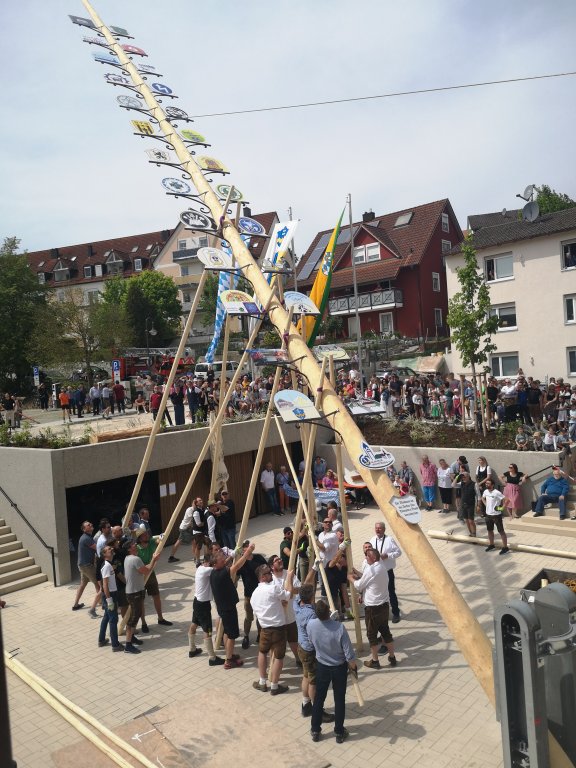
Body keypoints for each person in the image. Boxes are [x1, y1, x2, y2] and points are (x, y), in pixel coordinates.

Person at [307, 599, 357, 743]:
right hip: (339, 668)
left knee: (318, 699)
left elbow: (311, 643)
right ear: (329, 611)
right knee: (339, 699)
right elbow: (349, 655)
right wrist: (353, 669)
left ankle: (315, 730)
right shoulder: (339, 628)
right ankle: (339, 732)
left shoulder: (311, 625)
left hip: (322, 666)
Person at [250, 563, 294, 695]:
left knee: (262, 652)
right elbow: (289, 595)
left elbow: (258, 610)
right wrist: (289, 578)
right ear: (262, 577)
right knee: (279, 657)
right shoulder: (273, 588)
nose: (271, 574)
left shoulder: (254, 594)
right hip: (278, 628)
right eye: (268, 573)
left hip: (264, 628)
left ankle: (262, 682)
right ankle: (274, 685)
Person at [350, 547, 397, 669]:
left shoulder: (371, 569)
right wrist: (358, 573)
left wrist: (351, 578)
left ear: (373, 558)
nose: (365, 558)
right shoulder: (382, 566)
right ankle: (392, 657)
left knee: (371, 635)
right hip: (384, 606)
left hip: (373, 609)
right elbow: (369, 580)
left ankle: (375, 660)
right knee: (386, 632)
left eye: (367, 556)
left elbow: (360, 585)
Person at [210, 542, 255, 668]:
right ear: (215, 564)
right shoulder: (222, 573)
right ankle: (229, 661)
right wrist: (247, 553)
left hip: (224, 607)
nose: (223, 559)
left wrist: (234, 553)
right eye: (220, 559)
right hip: (228, 608)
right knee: (232, 635)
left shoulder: (214, 573)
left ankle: (229, 654)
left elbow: (228, 562)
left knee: (227, 633)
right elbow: (237, 566)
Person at [295, 583, 336, 722]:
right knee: (314, 682)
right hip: (310, 651)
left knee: (306, 676)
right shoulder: (311, 615)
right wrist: (331, 620)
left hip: (301, 647)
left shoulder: (297, 604)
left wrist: (312, 570)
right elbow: (320, 629)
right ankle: (317, 710)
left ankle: (305, 704)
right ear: (312, 597)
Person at [123, 539, 161, 654]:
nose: (136, 545)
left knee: (137, 614)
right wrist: (154, 559)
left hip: (134, 591)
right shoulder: (135, 559)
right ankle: (128, 645)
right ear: (130, 548)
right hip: (134, 593)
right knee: (133, 618)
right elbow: (147, 570)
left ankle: (132, 638)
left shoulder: (128, 559)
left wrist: (153, 561)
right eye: (133, 544)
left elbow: (144, 569)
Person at [187, 555, 225, 666]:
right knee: (207, 630)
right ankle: (212, 658)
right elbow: (219, 568)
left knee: (194, 623)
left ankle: (192, 649)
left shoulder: (199, 568)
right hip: (203, 605)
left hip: (197, 602)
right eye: (211, 563)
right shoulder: (206, 570)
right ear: (207, 563)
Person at [135, 529, 173, 632]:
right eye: (144, 535)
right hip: (141, 576)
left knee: (156, 596)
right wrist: (152, 563)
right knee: (141, 600)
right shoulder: (136, 549)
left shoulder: (151, 541)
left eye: (147, 534)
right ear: (140, 538)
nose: (147, 536)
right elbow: (140, 568)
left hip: (151, 575)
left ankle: (160, 618)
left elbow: (159, 539)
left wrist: (161, 537)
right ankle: (143, 623)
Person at [237, 539, 267, 649]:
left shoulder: (258, 558)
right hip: (248, 595)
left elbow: (267, 569)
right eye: (246, 548)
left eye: (248, 547)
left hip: (260, 594)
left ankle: (260, 635)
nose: (248, 550)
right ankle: (246, 636)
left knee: (260, 616)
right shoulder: (242, 562)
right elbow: (235, 575)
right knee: (248, 617)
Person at [370, 521, 402, 623]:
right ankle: (381, 614)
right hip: (376, 572)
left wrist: (387, 555)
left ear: (384, 529)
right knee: (378, 593)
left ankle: (396, 613)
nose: (378, 530)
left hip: (387, 571)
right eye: (376, 528)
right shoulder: (372, 539)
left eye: (380, 528)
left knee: (391, 593)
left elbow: (398, 552)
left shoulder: (389, 540)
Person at [97, 545, 123, 652]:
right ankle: (115, 645)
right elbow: (105, 585)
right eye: (108, 549)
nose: (111, 549)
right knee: (113, 620)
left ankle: (101, 640)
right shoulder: (107, 566)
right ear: (104, 554)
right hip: (110, 595)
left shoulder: (109, 565)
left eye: (111, 548)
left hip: (111, 594)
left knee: (106, 617)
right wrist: (109, 600)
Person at [72, 521, 101, 616]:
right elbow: (98, 548)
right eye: (88, 525)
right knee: (98, 584)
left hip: (82, 565)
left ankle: (76, 604)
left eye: (91, 524)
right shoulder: (86, 538)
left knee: (82, 584)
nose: (91, 525)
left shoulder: (87, 537)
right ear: (84, 529)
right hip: (87, 566)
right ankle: (101, 604)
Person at [481, 478, 509, 555]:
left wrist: (502, 508)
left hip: (496, 515)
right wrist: (486, 504)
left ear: (492, 485)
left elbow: (507, 500)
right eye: (486, 483)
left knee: (501, 531)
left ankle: (505, 548)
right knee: (490, 531)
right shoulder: (485, 491)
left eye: (488, 483)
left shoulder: (497, 492)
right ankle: (491, 545)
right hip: (488, 515)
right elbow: (482, 498)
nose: (486, 484)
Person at [460, 472, 477, 537]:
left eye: (464, 477)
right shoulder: (461, 483)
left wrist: (478, 505)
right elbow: (453, 485)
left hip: (471, 505)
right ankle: (471, 533)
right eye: (462, 477)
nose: (463, 478)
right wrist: (457, 477)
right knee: (466, 520)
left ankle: (474, 534)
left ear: (468, 477)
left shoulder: (474, 484)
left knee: (471, 521)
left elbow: (478, 495)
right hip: (463, 505)